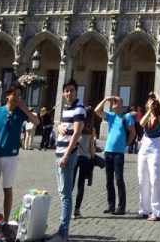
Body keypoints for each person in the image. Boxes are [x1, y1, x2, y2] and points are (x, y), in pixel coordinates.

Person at [0, 83, 40, 223]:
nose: (17, 97)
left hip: (11, 156)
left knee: (7, 189)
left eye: (19, 95)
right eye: (14, 94)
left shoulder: (21, 113)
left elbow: (36, 121)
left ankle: (6, 221)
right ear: (7, 95)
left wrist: (25, 108)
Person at [48, 78, 85, 242]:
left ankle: (63, 233)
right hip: (59, 152)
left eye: (71, 90)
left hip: (66, 156)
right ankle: (62, 231)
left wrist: (66, 155)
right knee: (62, 192)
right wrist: (58, 127)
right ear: (63, 93)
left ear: (76, 91)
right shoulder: (66, 107)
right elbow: (63, 126)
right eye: (66, 90)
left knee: (65, 195)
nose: (69, 93)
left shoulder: (79, 108)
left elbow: (77, 133)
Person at [94, 94, 129, 215]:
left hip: (119, 153)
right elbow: (96, 110)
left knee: (119, 179)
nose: (113, 103)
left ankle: (122, 207)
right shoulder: (110, 116)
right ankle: (111, 205)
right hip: (108, 151)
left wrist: (126, 144)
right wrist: (105, 99)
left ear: (121, 104)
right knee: (109, 180)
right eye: (112, 102)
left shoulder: (125, 117)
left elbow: (133, 132)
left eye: (116, 101)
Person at [137, 94, 160, 221]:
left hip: (154, 149)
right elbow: (141, 123)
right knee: (142, 179)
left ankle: (157, 212)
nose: (152, 104)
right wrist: (149, 110)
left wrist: (158, 98)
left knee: (155, 180)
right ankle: (143, 210)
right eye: (149, 103)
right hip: (144, 149)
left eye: (153, 104)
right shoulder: (148, 118)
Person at [72, 108, 97, 219]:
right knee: (80, 185)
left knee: (70, 184)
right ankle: (77, 210)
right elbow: (92, 148)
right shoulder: (91, 129)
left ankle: (67, 209)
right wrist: (93, 157)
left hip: (75, 157)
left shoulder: (77, 126)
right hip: (85, 159)